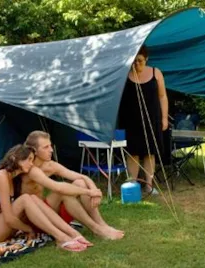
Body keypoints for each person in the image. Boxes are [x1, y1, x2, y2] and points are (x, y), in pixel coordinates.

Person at [0, 144, 98, 252]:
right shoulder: (1, 176)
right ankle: (61, 238)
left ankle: (72, 234)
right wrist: (28, 229)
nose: (31, 164)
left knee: (32, 198)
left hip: (2, 229)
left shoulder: (13, 179)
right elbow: (9, 218)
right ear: (14, 159)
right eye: (28, 159)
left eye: (32, 160)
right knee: (25, 199)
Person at [22, 131, 125, 240]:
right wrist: (89, 192)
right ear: (34, 151)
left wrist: (95, 191)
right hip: (36, 220)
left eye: (50, 146)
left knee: (80, 183)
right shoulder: (30, 169)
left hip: (51, 213)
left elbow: (82, 177)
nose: (51, 150)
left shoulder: (50, 165)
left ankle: (102, 225)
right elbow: (58, 187)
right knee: (64, 192)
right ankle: (96, 229)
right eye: (46, 147)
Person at [117, 45, 169, 195]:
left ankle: (149, 185)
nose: (137, 64)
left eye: (140, 60)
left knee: (149, 152)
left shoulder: (156, 73)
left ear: (146, 59)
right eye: (134, 61)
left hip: (152, 119)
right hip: (130, 119)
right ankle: (133, 184)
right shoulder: (126, 73)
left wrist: (164, 118)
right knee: (132, 152)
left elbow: (162, 96)